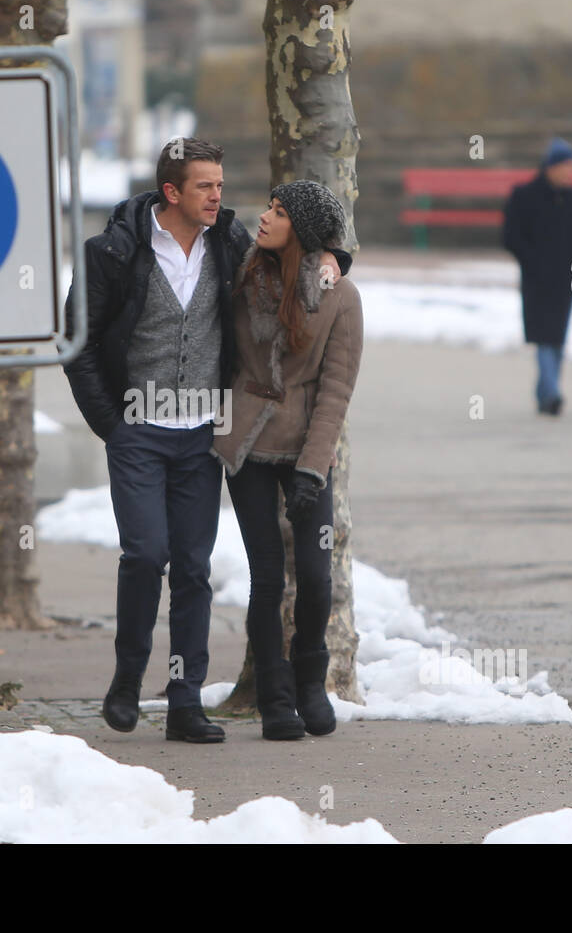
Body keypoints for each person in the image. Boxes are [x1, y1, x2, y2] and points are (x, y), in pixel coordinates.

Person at [62, 139, 348, 744]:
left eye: (220, 185)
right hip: (137, 428)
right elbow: (78, 345)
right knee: (145, 554)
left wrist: (336, 259)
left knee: (193, 569)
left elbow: (298, 247)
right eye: (205, 187)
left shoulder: (228, 244)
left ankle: (186, 699)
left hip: (200, 434)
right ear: (172, 193)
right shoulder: (111, 252)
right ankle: (126, 678)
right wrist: (111, 425)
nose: (219, 196)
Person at [211, 180, 363, 740]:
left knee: (317, 578)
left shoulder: (340, 296)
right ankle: (273, 696)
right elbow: (214, 222)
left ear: (300, 230)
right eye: (268, 207)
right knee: (267, 575)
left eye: (279, 212)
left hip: (306, 451)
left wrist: (311, 468)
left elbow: (336, 388)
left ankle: (311, 683)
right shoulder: (242, 270)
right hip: (246, 444)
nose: (265, 217)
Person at [502, 137, 572, 416]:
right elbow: (511, 236)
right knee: (543, 335)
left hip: (566, 279)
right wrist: (532, 263)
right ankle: (552, 393)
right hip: (537, 279)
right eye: (566, 166)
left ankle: (545, 393)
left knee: (558, 337)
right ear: (551, 167)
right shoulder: (524, 195)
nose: (569, 172)